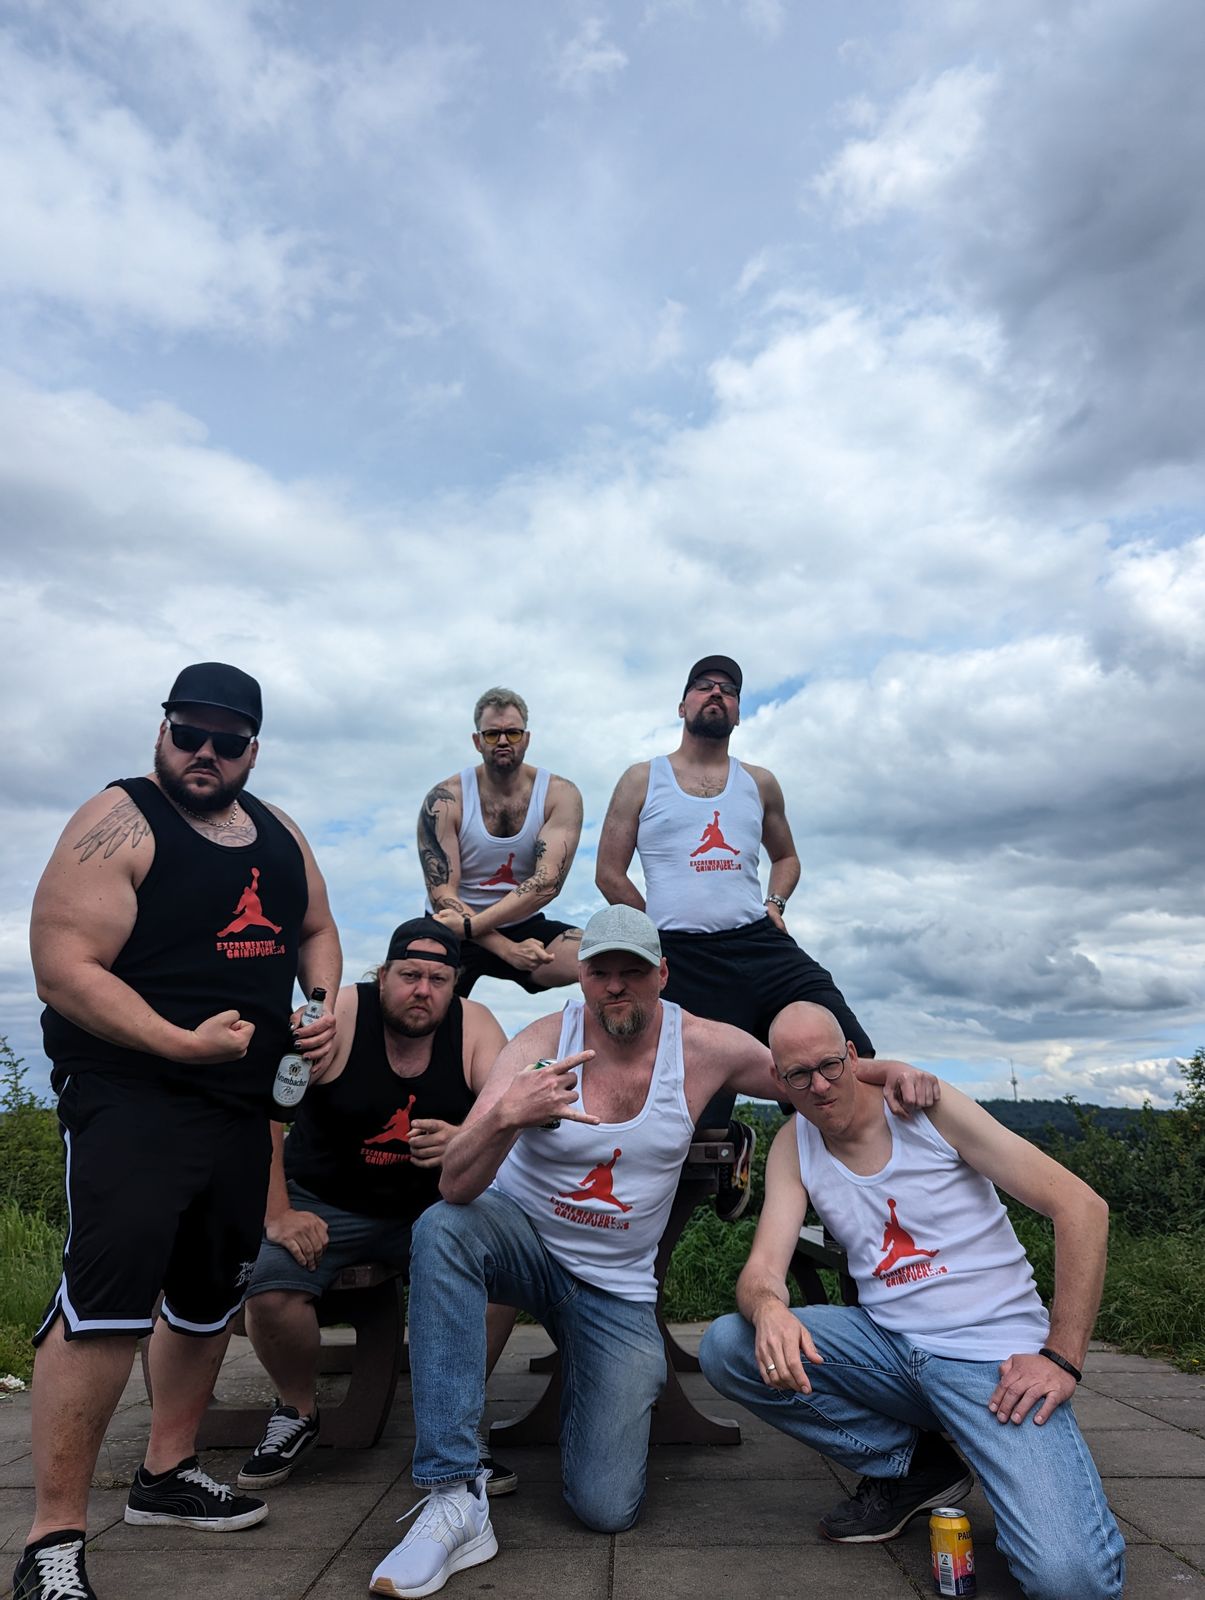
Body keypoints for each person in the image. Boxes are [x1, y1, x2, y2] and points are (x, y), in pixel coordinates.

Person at [366, 906, 937, 1598]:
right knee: (443, 1229)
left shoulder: (704, 1046)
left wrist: (891, 1071)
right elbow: (455, 1186)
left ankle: (591, 1394)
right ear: (581, 978)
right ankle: (453, 1493)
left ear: (662, 975)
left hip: (615, 1288)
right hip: (524, 1247)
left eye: (631, 972)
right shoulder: (541, 1043)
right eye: (600, 972)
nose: (615, 986)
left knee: (606, 1508)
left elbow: (809, 1078)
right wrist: (509, 1115)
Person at [17, 663, 341, 1600]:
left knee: (207, 1294)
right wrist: (177, 1041)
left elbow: (315, 929)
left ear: (252, 749)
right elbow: (62, 965)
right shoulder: (117, 819)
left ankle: (166, 1474)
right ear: (162, 731)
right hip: (132, 1093)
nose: (204, 753)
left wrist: (321, 1004)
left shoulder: (280, 832)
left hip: (240, 1104)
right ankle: (52, 1540)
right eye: (187, 733)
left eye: (225, 740)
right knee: (104, 1302)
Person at [698, 1001, 1126, 1600]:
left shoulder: (926, 1110)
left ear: (853, 1056)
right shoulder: (795, 1143)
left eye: (829, 1065)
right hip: (891, 1351)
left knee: (1071, 1582)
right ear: (779, 1080)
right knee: (731, 1345)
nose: (818, 1086)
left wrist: (1061, 1356)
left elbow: (1081, 1208)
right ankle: (913, 1466)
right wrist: (769, 1308)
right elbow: (761, 1271)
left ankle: (1018, 1478)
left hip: (993, 1363)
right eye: (799, 1074)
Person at [237, 917, 518, 1496]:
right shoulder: (336, 1019)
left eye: (438, 980)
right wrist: (278, 1213)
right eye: (410, 975)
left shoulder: (474, 1027)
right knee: (268, 1290)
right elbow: (265, 1112)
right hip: (326, 1201)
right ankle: (297, 1410)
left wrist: (463, 1137)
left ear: (454, 985)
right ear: (383, 976)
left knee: (500, 1283)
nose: (423, 991)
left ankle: (459, 1420)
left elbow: (506, 1112)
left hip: (431, 1207)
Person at [595, 652, 875, 1216]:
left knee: (851, 1058)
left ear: (740, 712)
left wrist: (775, 902)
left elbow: (787, 857)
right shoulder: (642, 779)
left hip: (757, 945)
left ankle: (843, 1204)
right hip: (681, 955)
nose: (716, 693)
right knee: (684, 1119)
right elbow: (608, 872)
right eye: (704, 685)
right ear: (683, 705)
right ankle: (731, 1152)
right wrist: (652, 932)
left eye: (728, 688)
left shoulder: (759, 783)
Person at [419, 686, 584, 997]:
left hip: (518, 922)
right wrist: (506, 949)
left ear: (527, 738)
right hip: (454, 924)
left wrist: (480, 928)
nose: (504, 741)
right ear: (477, 741)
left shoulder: (559, 794)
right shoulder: (445, 799)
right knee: (413, 997)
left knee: (602, 956)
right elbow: (442, 893)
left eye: (513, 733)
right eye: (493, 734)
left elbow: (547, 883)